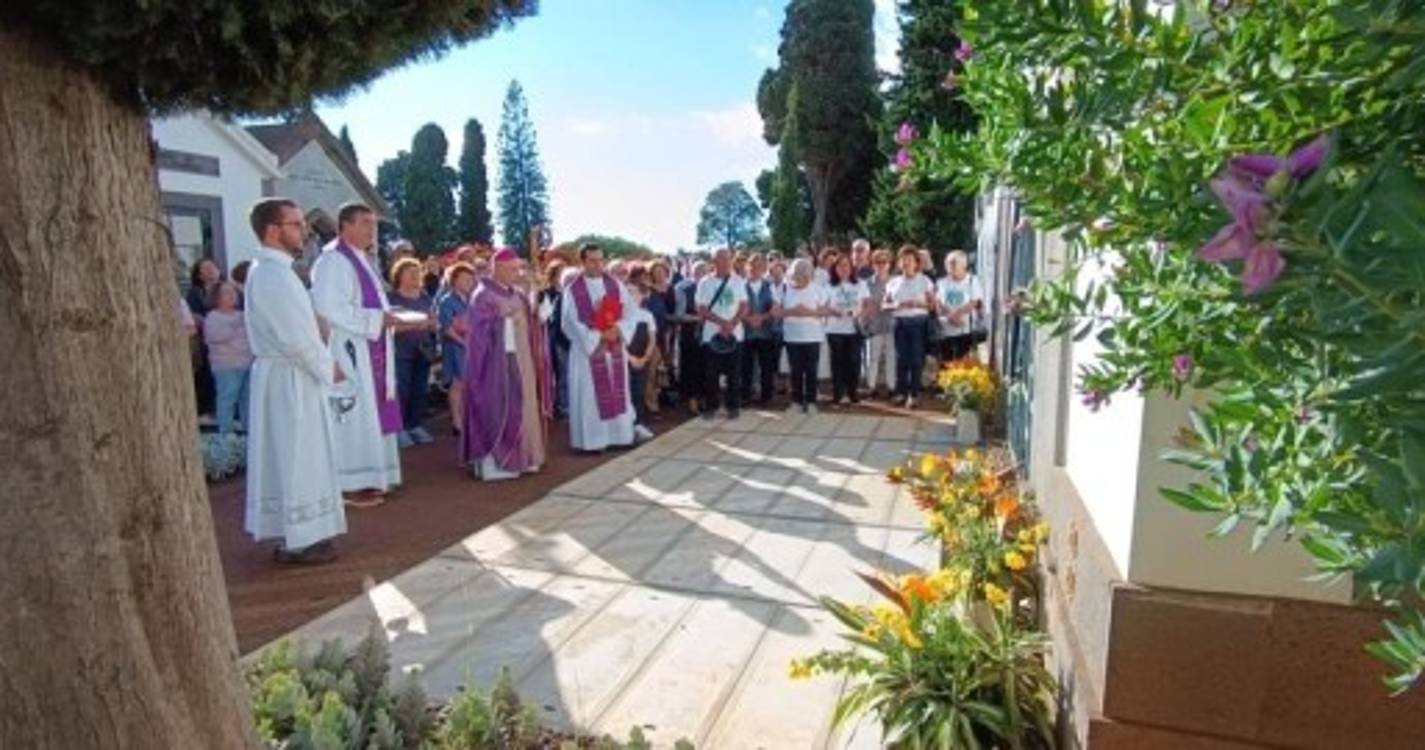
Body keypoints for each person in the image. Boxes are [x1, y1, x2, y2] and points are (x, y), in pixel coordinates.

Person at [242, 198, 345, 565]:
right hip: (290, 377)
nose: (304, 231)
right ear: (273, 230)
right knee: (296, 456)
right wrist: (327, 365)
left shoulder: (277, 271)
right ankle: (299, 539)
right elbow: (294, 337)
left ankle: (303, 533)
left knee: (303, 454)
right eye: (296, 224)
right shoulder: (271, 274)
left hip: (293, 374)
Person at [310, 203, 403, 506]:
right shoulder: (333, 261)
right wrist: (377, 320)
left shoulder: (362, 259)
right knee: (354, 415)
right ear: (345, 226)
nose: (371, 230)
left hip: (370, 345)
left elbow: (370, 303)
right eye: (364, 223)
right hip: (349, 349)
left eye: (373, 224)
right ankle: (351, 482)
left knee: (371, 412)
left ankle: (376, 474)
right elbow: (328, 308)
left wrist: (387, 316)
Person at [462, 248, 550, 479]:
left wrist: (538, 302)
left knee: (524, 406)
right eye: (512, 269)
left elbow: (533, 319)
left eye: (518, 268)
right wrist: (507, 323)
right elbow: (479, 332)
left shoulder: (517, 294)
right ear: (497, 268)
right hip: (495, 364)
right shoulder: (482, 295)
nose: (516, 273)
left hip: (521, 358)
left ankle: (524, 456)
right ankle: (496, 463)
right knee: (501, 406)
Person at [561, 243, 637, 451]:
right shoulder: (572, 290)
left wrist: (618, 329)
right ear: (582, 261)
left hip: (614, 347)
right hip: (588, 352)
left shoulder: (615, 285)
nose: (598, 264)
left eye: (600, 260)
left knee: (617, 389)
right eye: (593, 260)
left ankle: (619, 436)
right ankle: (593, 442)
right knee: (590, 396)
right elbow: (569, 322)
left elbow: (631, 312)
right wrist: (597, 335)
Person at [388, 257, 439, 447]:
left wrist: (431, 324)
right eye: (410, 273)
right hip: (400, 351)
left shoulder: (425, 297)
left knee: (420, 389)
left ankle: (415, 425)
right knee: (401, 388)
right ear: (399, 276)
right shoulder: (391, 299)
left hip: (423, 350)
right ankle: (399, 428)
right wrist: (415, 324)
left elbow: (434, 322)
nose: (415, 277)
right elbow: (389, 327)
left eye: (417, 273)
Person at [696, 248, 749, 420]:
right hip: (711, 335)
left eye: (727, 259)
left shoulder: (738, 281)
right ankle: (712, 406)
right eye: (721, 259)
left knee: (734, 374)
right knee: (711, 374)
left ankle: (733, 406)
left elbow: (744, 306)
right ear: (714, 261)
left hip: (735, 334)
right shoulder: (705, 282)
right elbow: (701, 308)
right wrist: (722, 323)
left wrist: (732, 323)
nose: (725, 262)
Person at [884, 245, 936, 409]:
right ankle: (901, 393)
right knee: (901, 359)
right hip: (899, 323)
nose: (906, 263)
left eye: (909, 260)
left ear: (916, 263)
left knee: (916, 360)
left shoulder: (924, 281)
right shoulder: (893, 282)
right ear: (899, 263)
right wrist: (897, 304)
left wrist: (918, 303)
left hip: (917, 323)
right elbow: (884, 304)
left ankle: (914, 394)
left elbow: (932, 306)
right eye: (903, 260)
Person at [775, 259, 828, 414]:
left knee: (811, 370)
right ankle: (796, 401)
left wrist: (809, 312)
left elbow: (825, 311)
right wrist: (793, 312)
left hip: (813, 337)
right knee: (795, 370)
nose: (800, 282)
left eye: (804, 278)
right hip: (792, 337)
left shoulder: (818, 289)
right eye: (798, 278)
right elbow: (775, 312)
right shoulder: (784, 289)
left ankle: (811, 401)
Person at [203, 280, 253, 434]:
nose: (232, 295)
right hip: (226, 366)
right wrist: (236, 328)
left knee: (247, 400)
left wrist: (235, 328)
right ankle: (226, 434)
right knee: (227, 399)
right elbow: (215, 337)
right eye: (226, 292)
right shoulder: (213, 317)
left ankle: (248, 432)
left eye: (233, 292)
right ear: (216, 297)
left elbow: (250, 336)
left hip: (247, 363)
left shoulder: (243, 315)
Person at [826, 253, 869, 405]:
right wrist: (835, 312)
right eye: (840, 265)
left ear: (852, 268)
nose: (844, 268)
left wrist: (859, 314)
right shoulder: (828, 286)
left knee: (854, 361)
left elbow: (867, 304)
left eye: (846, 265)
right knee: (837, 362)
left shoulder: (860, 284)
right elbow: (823, 307)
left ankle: (853, 391)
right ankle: (838, 392)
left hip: (854, 328)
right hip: (834, 329)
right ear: (834, 269)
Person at [440, 263, 477, 435]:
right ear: (454, 280)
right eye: (465, 278)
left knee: (469, 383)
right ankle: (457, 421)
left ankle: (467, 417)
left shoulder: (473, 300)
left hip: (471, 346)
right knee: (457, 384)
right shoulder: (447, 301)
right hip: (456, 347)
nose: (469, 281)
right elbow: (446, 327)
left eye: (471, 278)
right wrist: (463, 343)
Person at [622, 281, 658, 443]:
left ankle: (639, 424)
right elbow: (619, 341)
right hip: (624, 359)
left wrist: (644, 358)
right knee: (625, 393)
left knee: (639, 392)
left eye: (634, 292)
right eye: (627, 292)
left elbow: (652, 339)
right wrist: (629, 358)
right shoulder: (619, 316)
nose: (631, 296)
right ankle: (624, 427)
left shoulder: (647, 315)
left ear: (641, 296)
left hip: (642, 359)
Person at [741, 253, 779, 406]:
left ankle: (766, 396)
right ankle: (745, 395)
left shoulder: (770, 286)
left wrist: (762, 318)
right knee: (745, 367)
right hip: (745, 332)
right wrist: (748, 319)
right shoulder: (739, 285)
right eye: (753, 265)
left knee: (766, 366)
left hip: (766, 332)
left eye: (759, 265)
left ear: (764, 268)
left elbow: (776, 308)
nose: (756, 268)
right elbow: (734, 308)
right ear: (747, 267)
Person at [935, 250, 986, 363]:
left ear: (964, 265)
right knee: (945, 363)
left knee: (963, 362)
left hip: (966, 330)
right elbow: (938, 302)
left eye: (953, 263)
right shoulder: (941, 282)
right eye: (947, 263)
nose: (949, 266)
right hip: (946, 330)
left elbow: (974, 302)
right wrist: (951, 316)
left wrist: (958, 314)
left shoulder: (973, 281)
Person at [673, 260, 709, 413]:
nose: (702, 274)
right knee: (690, 368)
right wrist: (697, 318)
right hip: (690, 334)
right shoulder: (683, 287)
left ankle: (704, 398)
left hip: (708, 334)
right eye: (699, 271)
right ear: (693, 272)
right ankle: (692, 401)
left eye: (705, 270)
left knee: (706, 367)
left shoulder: (711, 287)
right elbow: (679, 315)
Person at [862, 248, 897, 399]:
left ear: (889, 264)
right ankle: (871, 387)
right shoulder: (866, 283)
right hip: (874, 324)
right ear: (872, 264)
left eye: (884, 262)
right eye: (878, 262)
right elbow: (863, 303)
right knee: (872, 358)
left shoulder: (896, 282)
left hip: (892, 324)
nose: (881, 265)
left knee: (891, 357)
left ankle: (892, 387)